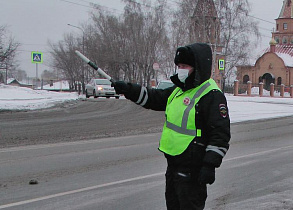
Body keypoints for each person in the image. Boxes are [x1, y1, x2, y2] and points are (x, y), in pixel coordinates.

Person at [112, 43, 231, 210]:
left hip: (193, 170)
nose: (180, 70)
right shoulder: (178, 90)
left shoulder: (211, 95)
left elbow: (220, 134)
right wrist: (129, 90)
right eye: (179, 66)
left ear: (197, 67)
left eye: (184, 66)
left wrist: (209, 165)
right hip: (174, 165)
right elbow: (154, 98)